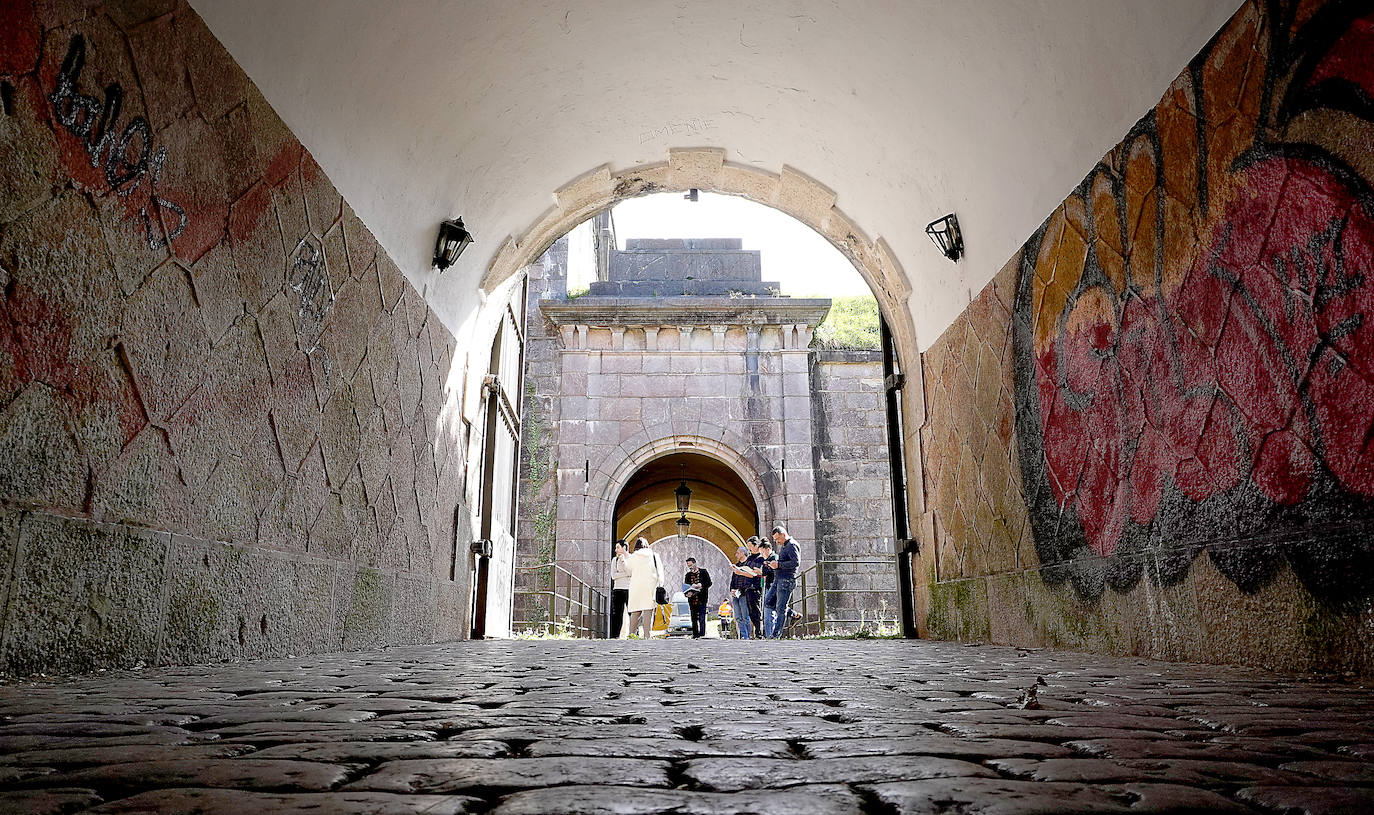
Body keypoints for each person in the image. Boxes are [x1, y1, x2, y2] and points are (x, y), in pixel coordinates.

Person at [626, 537, 666, 639]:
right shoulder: (654, 555)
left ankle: (632, 634)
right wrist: (660, 584)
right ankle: (647, 636)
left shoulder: (632, 557)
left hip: (636, 585)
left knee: (635, 611)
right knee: (648, 611)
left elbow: (628, 570)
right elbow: (660, 572)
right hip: (650, 586)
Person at [764, 525, 800, 638]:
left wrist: (778, 564)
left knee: (780, 608)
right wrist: (773, 565)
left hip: (786, 580)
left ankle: (776, 634)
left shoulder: (792, 545)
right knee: (768, 601)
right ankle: (793, 615)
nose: (777, 542)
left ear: (783, 535)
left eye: (777, 539)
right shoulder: (785, 546)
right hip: (778, 579)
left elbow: (795, 563)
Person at [728, 545, 759, 639]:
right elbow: (733, 579)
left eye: (738, 553)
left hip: (744, 593)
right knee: (738, 616)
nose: (736, 554)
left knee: (745, 616)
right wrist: (732, 590)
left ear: (742, 553)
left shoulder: (749, 564)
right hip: (736, 593)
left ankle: (748, 636)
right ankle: (744, 635)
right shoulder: (736, 565)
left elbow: (752, 578)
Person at [682, 557, 712, 638]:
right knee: (693, 617)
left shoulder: (703, 572)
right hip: (692, 599)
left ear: (695, 563)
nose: (690, 567)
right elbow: (686, 587)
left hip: (702, 598)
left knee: (702, 616)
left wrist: (701, 585)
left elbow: (709, 583)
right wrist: (687, 593)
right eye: (688, 566)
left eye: (691, 565)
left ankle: (702, 634)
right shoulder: (688, 575)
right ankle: (695, 634)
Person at [743, 536, 765, 638]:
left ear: (756, 545)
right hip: (748, 586)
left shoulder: (761, 558)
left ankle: (759, 632)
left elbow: (760, 572)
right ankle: (756, 630)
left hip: (756, 586)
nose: (749, 549)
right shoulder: (749, 558)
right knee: (751, 611)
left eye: (750, 546)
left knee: (757, 610)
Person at [609, 540, 631, 638]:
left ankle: (633, 633)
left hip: (629, 589)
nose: (616, 550)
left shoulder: (631, 558)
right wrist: (626, 574)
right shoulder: (614, 560)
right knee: (617, 614)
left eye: (618, 547)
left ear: (624, 547)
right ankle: (615, 636)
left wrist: (623, 561)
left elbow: (631, 573)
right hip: (617, 589)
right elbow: (613, 576)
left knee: (632, 612)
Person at [758, 539, 778, 634]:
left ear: (767, 549)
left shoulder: (774, 558)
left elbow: (770, 572)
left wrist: (762, 571)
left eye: (762, 552)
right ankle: (770, 633)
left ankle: (770, 634)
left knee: (769, 611)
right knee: (771, 610)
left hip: (772, 586)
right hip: (769, 586)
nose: (762, 555)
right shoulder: (767, 560)